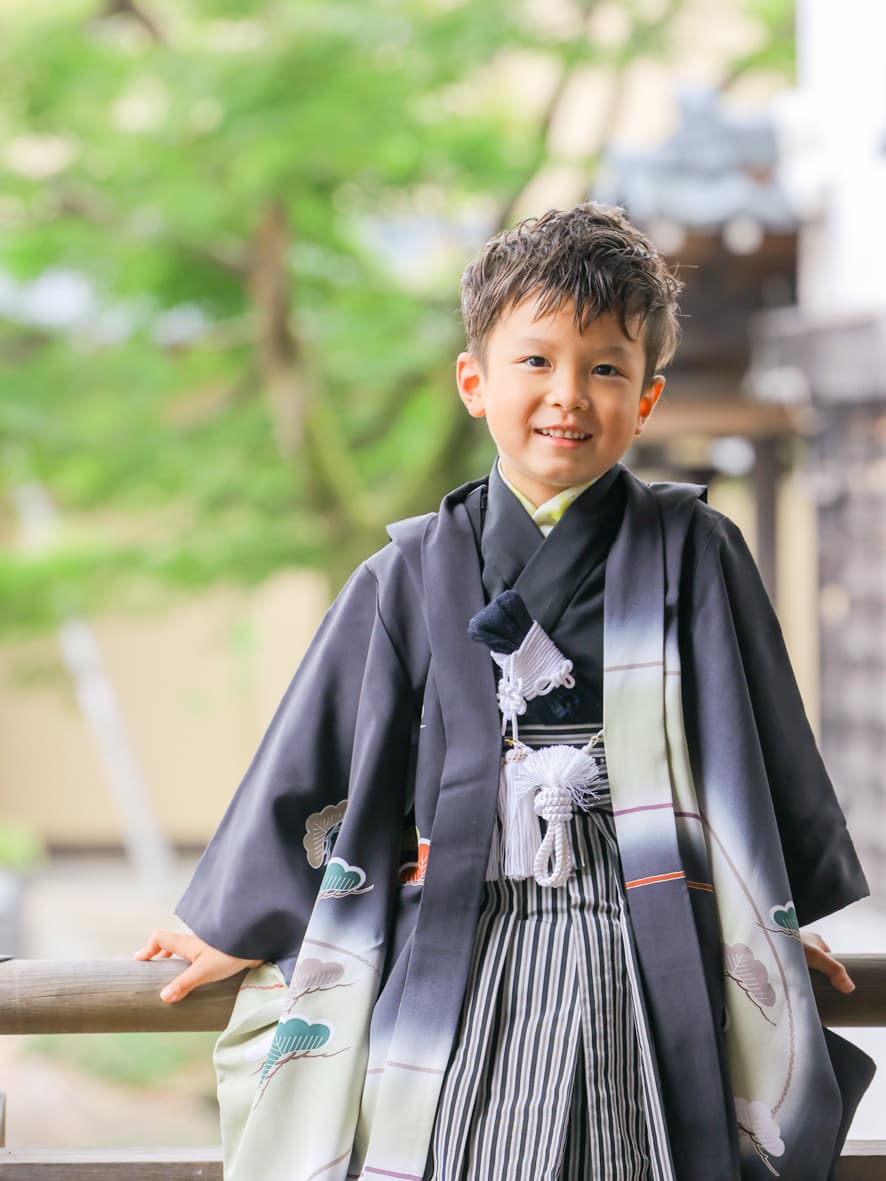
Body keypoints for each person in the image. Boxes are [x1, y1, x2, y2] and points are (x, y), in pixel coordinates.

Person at [135, 202, 873, 1181]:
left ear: (645, 397)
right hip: (466, 925)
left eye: (605, 367)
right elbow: (315, 747)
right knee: (461, 1143)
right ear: (473, 382)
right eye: (535, 361)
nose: (568, 394)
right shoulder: (408, 572)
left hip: (642, 924)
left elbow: (756, 741)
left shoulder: (697, 549)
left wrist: (771, 911)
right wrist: (234, 913)